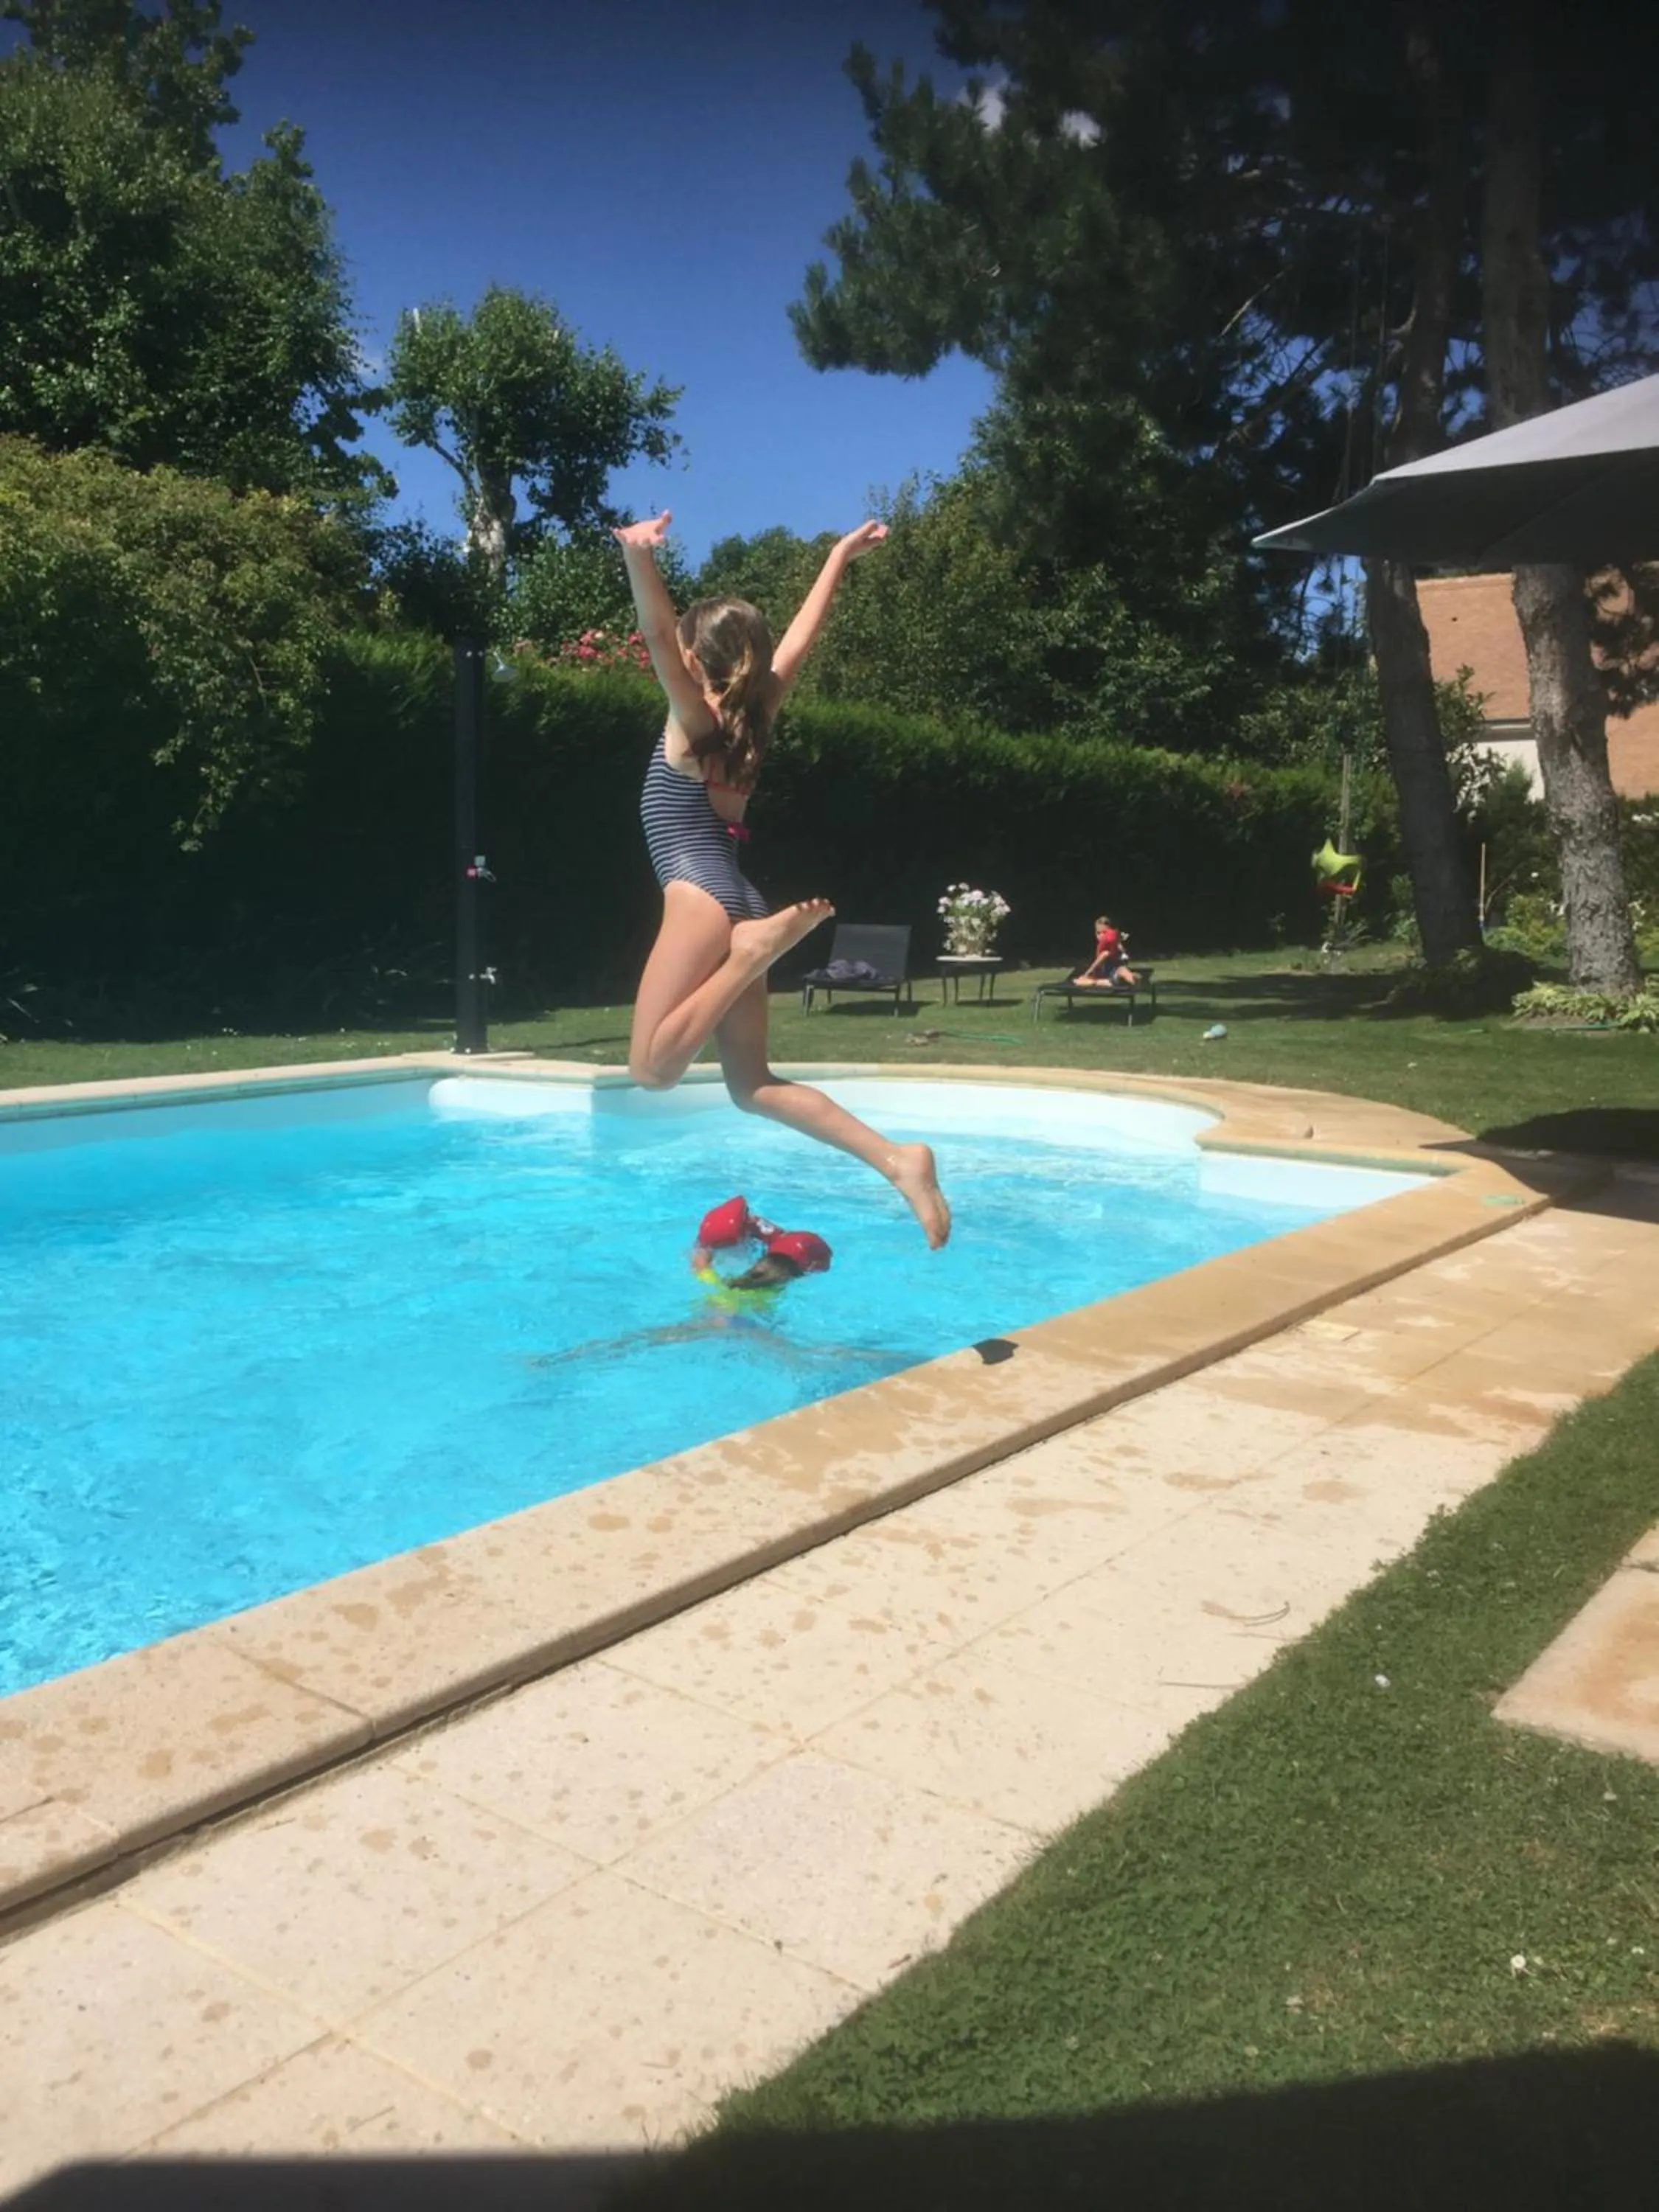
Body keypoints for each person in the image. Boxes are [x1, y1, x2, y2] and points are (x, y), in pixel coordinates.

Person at [614, 509, 950, 1250]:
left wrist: (640, 556)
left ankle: (750, 955)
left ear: (693, 658)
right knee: (751, 1086)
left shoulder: (692, 717)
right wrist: (836, 558)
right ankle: (899, 1161)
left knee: (651, 1071)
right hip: (739, 892)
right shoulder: (755, 716)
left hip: (701, 896)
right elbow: (801, 636)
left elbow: (652, 628)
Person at [530, 1196, 846, 1371]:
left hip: (716, 1316)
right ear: (802, 1275)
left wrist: (718, 1237)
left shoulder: (723, 1282)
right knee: (804, 1357)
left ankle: (556, 1361)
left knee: (632, 1341)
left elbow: (698, 1257)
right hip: (743, 1325)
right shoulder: (777, 1291)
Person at [1074, 914, 1138, 990]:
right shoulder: (1105, 948)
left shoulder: (1112, 945)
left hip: (1113, 973)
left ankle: (1132, 978)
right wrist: (1087, 974)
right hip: (1105, 977)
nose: (1101, 935)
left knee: (1122, 970)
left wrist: (1123, 952)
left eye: (1104, 933)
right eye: (1098, 933)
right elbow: (1102, 958)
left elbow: (1118, 955)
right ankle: (1131, 978)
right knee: (1119, 972)